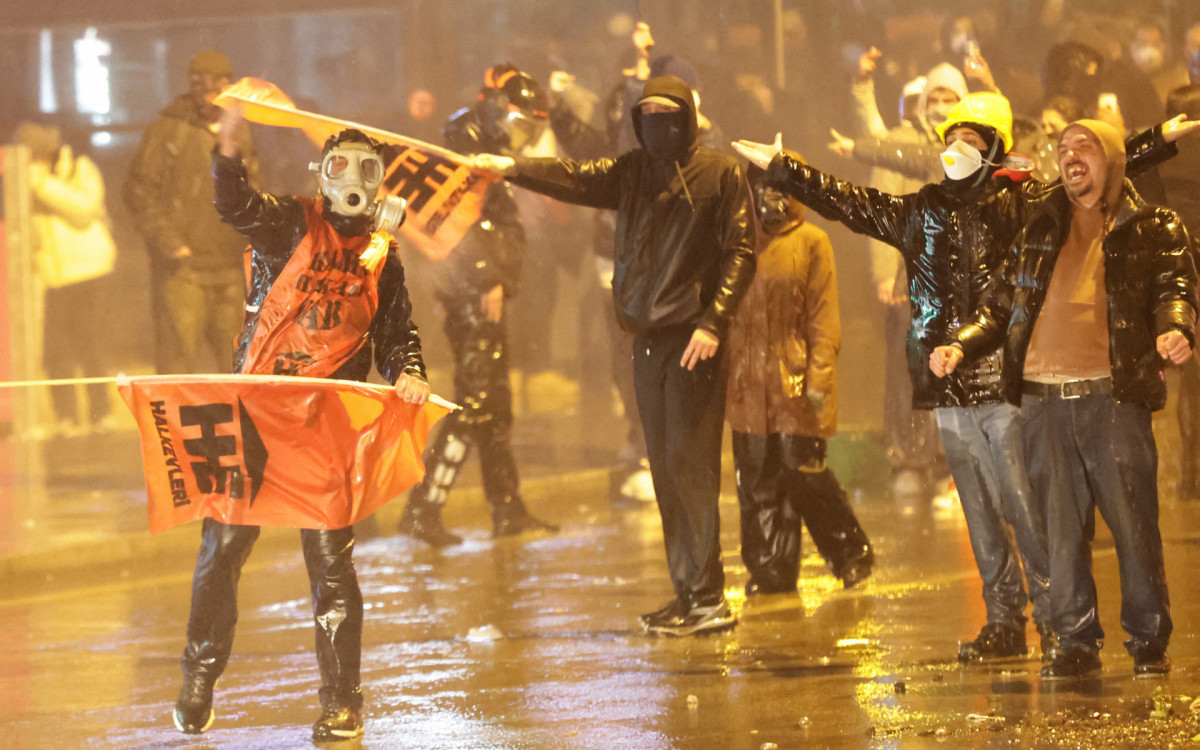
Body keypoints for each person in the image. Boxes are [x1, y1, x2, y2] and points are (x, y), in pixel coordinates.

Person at [735, 93, 1190, 662]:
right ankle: (1006, 620)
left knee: (1033, 514)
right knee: (981, 512)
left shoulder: (1024, 206)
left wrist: (1155, 140)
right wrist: (785, 168)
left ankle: (1058, 624)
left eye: (972, 141)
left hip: (1006, 385)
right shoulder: (919, 211)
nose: (957, 151)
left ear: (995, 150)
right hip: (947, 385)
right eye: (951, 140)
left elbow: (1093, 174)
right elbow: (848, 201)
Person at [172, 110, 430, 742]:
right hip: (254, 412)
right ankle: (200, 676)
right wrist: (228, 153)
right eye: (340, 164)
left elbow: (397, 333)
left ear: (380, 183)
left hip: (322, 424)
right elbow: (233, 204)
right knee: (224, 549)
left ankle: (343, 702)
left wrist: (411, 369)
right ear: (323, 174)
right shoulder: (288, 221)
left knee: (331, 563)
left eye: (367, 169)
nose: (353, 179)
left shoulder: (382, 257)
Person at [473, 74, 756, 636]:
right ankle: (689, 590)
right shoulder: (630, 173)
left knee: (690, 465)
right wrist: (510, 168)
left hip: (693, 340)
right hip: (645, 339)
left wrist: (714, 322)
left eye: (668, 114)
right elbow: (574, 178)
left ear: (689, 117)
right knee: (665, 469)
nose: (657, 125)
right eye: (646, 114)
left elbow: (741, 252)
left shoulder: (721, 175)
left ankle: (707, 595)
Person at [930, 119, 1197, 680]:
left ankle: (1148, 638)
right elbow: (1000, 301)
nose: (1071, 155)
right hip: (1042, 404)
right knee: (1058, 531)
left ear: (1114, 160)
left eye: (1086, 147)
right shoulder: (1040, 222)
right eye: (1064, 148)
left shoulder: (1154, 226)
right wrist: (961, 342)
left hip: (1112, 400)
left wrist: (1177, 329)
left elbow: (1176, 289)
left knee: (1134, 524)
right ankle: (1074, 639)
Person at [395, 64, 557, 547]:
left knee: (493, 405)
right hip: (472, 293)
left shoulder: (483, 148)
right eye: (521, 124)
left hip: (477, 290)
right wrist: (488, 279)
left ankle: (506, 508)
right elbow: (458, 227)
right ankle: (424, 508)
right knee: (476, 403)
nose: (523, 137)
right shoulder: (465, 153)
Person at [725, 174, 873, 594]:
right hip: (748, 379)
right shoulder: (738, 241)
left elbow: (823, 315)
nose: (771, 198)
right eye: (763, 189)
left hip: (795, 375)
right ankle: (771, 569)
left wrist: (820, 372)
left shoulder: (812, 241)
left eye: (781, 188)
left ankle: (850, 553)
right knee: (756, 479)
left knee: (804, 472)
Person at [124, 50, 256, 375]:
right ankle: (175, 428)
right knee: (178, 364)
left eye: (217, 81)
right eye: (200, 80)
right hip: (184, 271)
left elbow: (252, 189)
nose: (209, 88)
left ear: (228, 84)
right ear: (191, 84)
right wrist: (169, 243)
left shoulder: (239, 130)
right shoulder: (169, 130)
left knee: (238, 366)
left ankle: (236, 427)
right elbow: (137, 189)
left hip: (229, 266)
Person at [17, 121, 117, 434]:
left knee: (89, 344)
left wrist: (41, 184)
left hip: (87, 268)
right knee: (54, 351)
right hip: (49, 275)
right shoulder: (22, 179)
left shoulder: (78, 167)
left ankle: (101, 413)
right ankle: (67, 417)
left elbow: (85, 209)